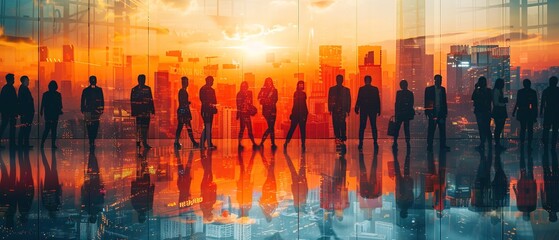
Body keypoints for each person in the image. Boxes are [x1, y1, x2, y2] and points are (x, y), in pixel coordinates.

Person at [424, 75, 450, 152]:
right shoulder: (429, 89)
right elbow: (426, 101)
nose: (440, 81)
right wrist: (428, 112)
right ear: (435, 80)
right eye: (439, 80)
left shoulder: (442, 89)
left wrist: (445, 112)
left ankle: (442, 145)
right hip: (433, 113)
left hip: (441, 113)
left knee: (442, 130)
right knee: (431, 130)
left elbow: (444, 102)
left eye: (441, 80)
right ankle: (430, 145)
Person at [355, 75, 381, 150]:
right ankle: (375, 142)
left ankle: (361, 142)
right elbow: (377, 100)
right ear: (371, 80)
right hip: (372, 110)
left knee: (362, 127)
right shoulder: (375, 89)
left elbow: (359, 99)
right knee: (373, 126)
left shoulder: (362, 89)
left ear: (364, 80)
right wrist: (378, 109)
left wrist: (357, 107)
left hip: (364, 110)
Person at [512, 79, 538, 151]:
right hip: (530, 113)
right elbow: (535, 105)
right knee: (530, 129)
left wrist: (514, 112)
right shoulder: (533, 92)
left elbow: (518, 102)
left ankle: (522, 144)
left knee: (523, 128)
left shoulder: (520, 92)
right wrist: (535, 115)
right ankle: (529, 145)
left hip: (522, 112)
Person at [130, 74, 155, 149]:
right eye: (142, 79)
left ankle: (142, 142)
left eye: (143, 79)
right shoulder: (137, 89)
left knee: (144, 128)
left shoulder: (136, 89)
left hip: (144, 112)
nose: (143, 81)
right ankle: (140, 143)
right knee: (140, 128)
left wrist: (152, 109)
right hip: (141, 112)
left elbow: (150, 100)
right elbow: (133, 101)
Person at [174, 76, 199, 149]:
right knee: (186, 127)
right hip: (183, 112)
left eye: (187, 82)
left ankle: (177, 142)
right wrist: (187, 103)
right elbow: (182, 102)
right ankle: (192, 142)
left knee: (183, 128)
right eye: (185, 82)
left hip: (183, 112)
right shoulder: (182, 91)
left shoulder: (183, 91)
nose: (186, 83)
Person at [81, 75, 104, 149]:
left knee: (93, 126)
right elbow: (83, 101)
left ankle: (92, 140)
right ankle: (92, 140)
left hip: (92, 111)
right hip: (91, 111)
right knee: (91, 126)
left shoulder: (87, 90)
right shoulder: (97, 90)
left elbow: (102, 100)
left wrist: (101, 109)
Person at [284, 80, 308, 150]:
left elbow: (304, 104)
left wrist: (306, 113)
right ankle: (286, 142)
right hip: (296, 114)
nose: (301, 86)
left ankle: (303, 144)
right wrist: (292, 113)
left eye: (302, 84)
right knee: (292, 129)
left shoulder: (304, 94)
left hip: (302, 114)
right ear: (297, 85)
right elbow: (295, 104)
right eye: (300, 84)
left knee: (303, 130)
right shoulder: (296, 93)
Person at [328, 75, 351, 146]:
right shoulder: (346, 90)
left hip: (337, 109)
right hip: (341, 109)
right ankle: (341, 137)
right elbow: (348, 100)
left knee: (337, 124)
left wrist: (330, 109)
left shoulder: (332, 89)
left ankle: (339, 137)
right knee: (341, 123)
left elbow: (330, 99)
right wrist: (348, 110)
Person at [40, 80, 63, 149]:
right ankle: (53, 144)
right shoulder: (58, 94)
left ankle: (42, 143)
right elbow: (60, 105)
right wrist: (59, 111)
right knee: (54, 129)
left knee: (47, 129)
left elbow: (42, 104)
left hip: (48, 114)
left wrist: (41, 111)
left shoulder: (45, 94)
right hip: (55, 114)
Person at [472, 76, 492, 151]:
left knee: (484, 128)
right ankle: (486, 144)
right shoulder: (487, 91)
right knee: (485, 128)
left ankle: (483, 144)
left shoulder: (486, 91)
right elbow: (473, 97)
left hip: (482, 112)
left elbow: (473, 98)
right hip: (483, 112)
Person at [393, 80, 414, 149]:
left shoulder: (399, 93)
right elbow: (411, 104)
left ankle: (395, 142)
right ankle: (407, 143)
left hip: (400, 113)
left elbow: (397, 104)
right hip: (406, 114)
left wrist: (396, 114)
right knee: (406, 129)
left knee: (397, 128)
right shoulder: (410, 93)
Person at [258, 77, 278, 149]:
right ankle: (271, 143)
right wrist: (265, 99)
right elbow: (259, 97)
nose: (269, 83)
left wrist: (267, 101)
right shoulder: (263, 89)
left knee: (271, 127)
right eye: (267, 81)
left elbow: (276, 100)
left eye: (270, 81)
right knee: (271, 127)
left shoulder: (275, 90)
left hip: (272, 110)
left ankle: (267, 143)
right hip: (266, 111)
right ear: (266, 82)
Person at [236, 81, 258, 149]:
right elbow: (238, 105)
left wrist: (251, 108)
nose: (244, 88)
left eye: (245, 86)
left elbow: (251, 102)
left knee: (249, 128)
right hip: (242, 113)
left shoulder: (249, 93)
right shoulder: (239, 94)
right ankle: (240, 144)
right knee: (242, 129)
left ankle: (253, 143)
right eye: (243, 86)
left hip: (247, 113)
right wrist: (238, 113)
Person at [541, 76, 559, 149]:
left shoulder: (546, 91)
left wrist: (541, 112)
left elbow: (542, 102)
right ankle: (553, 144)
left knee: (546, 128)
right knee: (555, 129)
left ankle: (545, 143)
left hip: (548, 111)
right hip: (557, 112)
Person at [0, 73, 18, 149]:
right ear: (11, 80)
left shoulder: (4, 88)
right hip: (10, 112)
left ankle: (12, 144)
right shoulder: (11, 88)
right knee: (11, 128)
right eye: (13, 79)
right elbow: (14, 102)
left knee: (3, 127)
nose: (14, 80)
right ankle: (12, 144)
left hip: (6, 112)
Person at [199, 76, 217, 150]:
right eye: (212, 81)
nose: (213, 82)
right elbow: (204, 100)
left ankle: (206, 143)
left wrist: (213, 107)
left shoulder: (205, 89)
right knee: (208, 127)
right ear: (208, 81)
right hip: (207, 111)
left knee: (208, 127)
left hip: (207, 110)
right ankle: (206, 143)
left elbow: (213, 101)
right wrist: (212, 106)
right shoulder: (205, 89)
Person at [17, 76, 34, 148]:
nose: (28, 82)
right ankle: (23, 144)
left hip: (26, 112)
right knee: (25, 128)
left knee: (24, 128)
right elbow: (25, 101)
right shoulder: (24, 89)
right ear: (23, 81)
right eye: (27, 80)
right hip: (26, 112)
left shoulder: (23, 89)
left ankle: (23, 144)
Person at [492, 78, 508, 150]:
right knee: (498, 128)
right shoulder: (496, 91)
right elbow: (496, 103)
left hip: (499, 111)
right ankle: (497, 144)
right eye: (503, 83)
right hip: (499, 111)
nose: (504, 84)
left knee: (499, 127)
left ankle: (497, 143)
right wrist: (503, 102)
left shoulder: (499, 91)